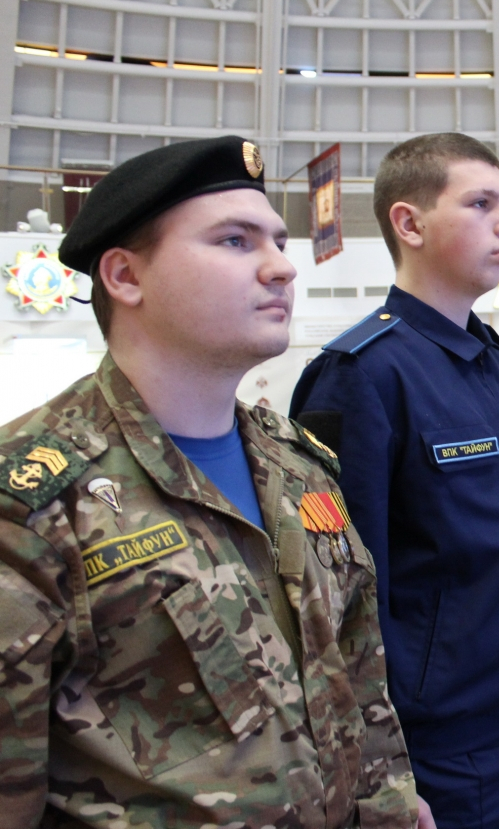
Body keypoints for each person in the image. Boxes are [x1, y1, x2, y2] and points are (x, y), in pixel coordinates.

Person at [0, 137, 421, 828]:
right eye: (234, 240)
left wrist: (392, 807)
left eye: (278, 241)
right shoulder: (32, 500)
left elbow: (359, 679)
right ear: (125, 276)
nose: (282, 266)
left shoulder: (299, 465)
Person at [290, 133, 499, 829]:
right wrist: (379, 765)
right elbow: (337, 597)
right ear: (409, 224)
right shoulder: (361, 374)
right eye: (481, 204)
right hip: (436, 746)